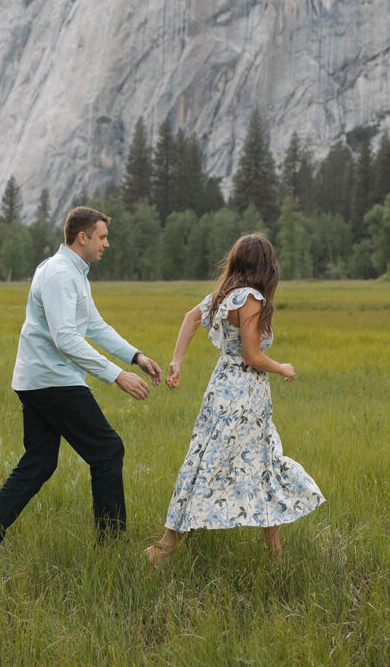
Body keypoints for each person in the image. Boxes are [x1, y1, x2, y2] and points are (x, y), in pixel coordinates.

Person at [0, 206, 162, 555]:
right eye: (102, 237)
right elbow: (66, 338)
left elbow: (94, 326)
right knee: (107, 450)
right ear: (82, 237)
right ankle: (111, 548)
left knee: (39, 463)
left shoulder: (74, 273)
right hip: (52, 380)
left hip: (41, 379)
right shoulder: (59, 273)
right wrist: (117, 375)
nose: (107, 244)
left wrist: (136, 356)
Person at [145, 233, 324, 563]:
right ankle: (166, 547)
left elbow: (190, 319)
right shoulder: (251, 299)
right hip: (244, 394)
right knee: (252, 463)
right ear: (265, 267)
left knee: (221, 460)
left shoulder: (223, 295)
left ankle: (273, 552)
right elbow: (253, 356)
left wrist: (177, 361)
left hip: (221, 388)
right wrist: (281, 366)